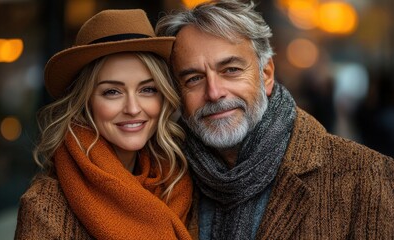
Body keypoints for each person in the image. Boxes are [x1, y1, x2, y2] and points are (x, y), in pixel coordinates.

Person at [155, 0, 394, 239]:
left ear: (266, 74)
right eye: (194, 79)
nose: (214, 92)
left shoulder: (365, 175)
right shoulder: (164, 179)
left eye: (231, 70)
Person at [14, 9, 193, 240]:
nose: (133, 108)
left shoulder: (177, 184)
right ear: (84, 102)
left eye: (147, 89)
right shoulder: (45, 207)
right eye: (112, 92)